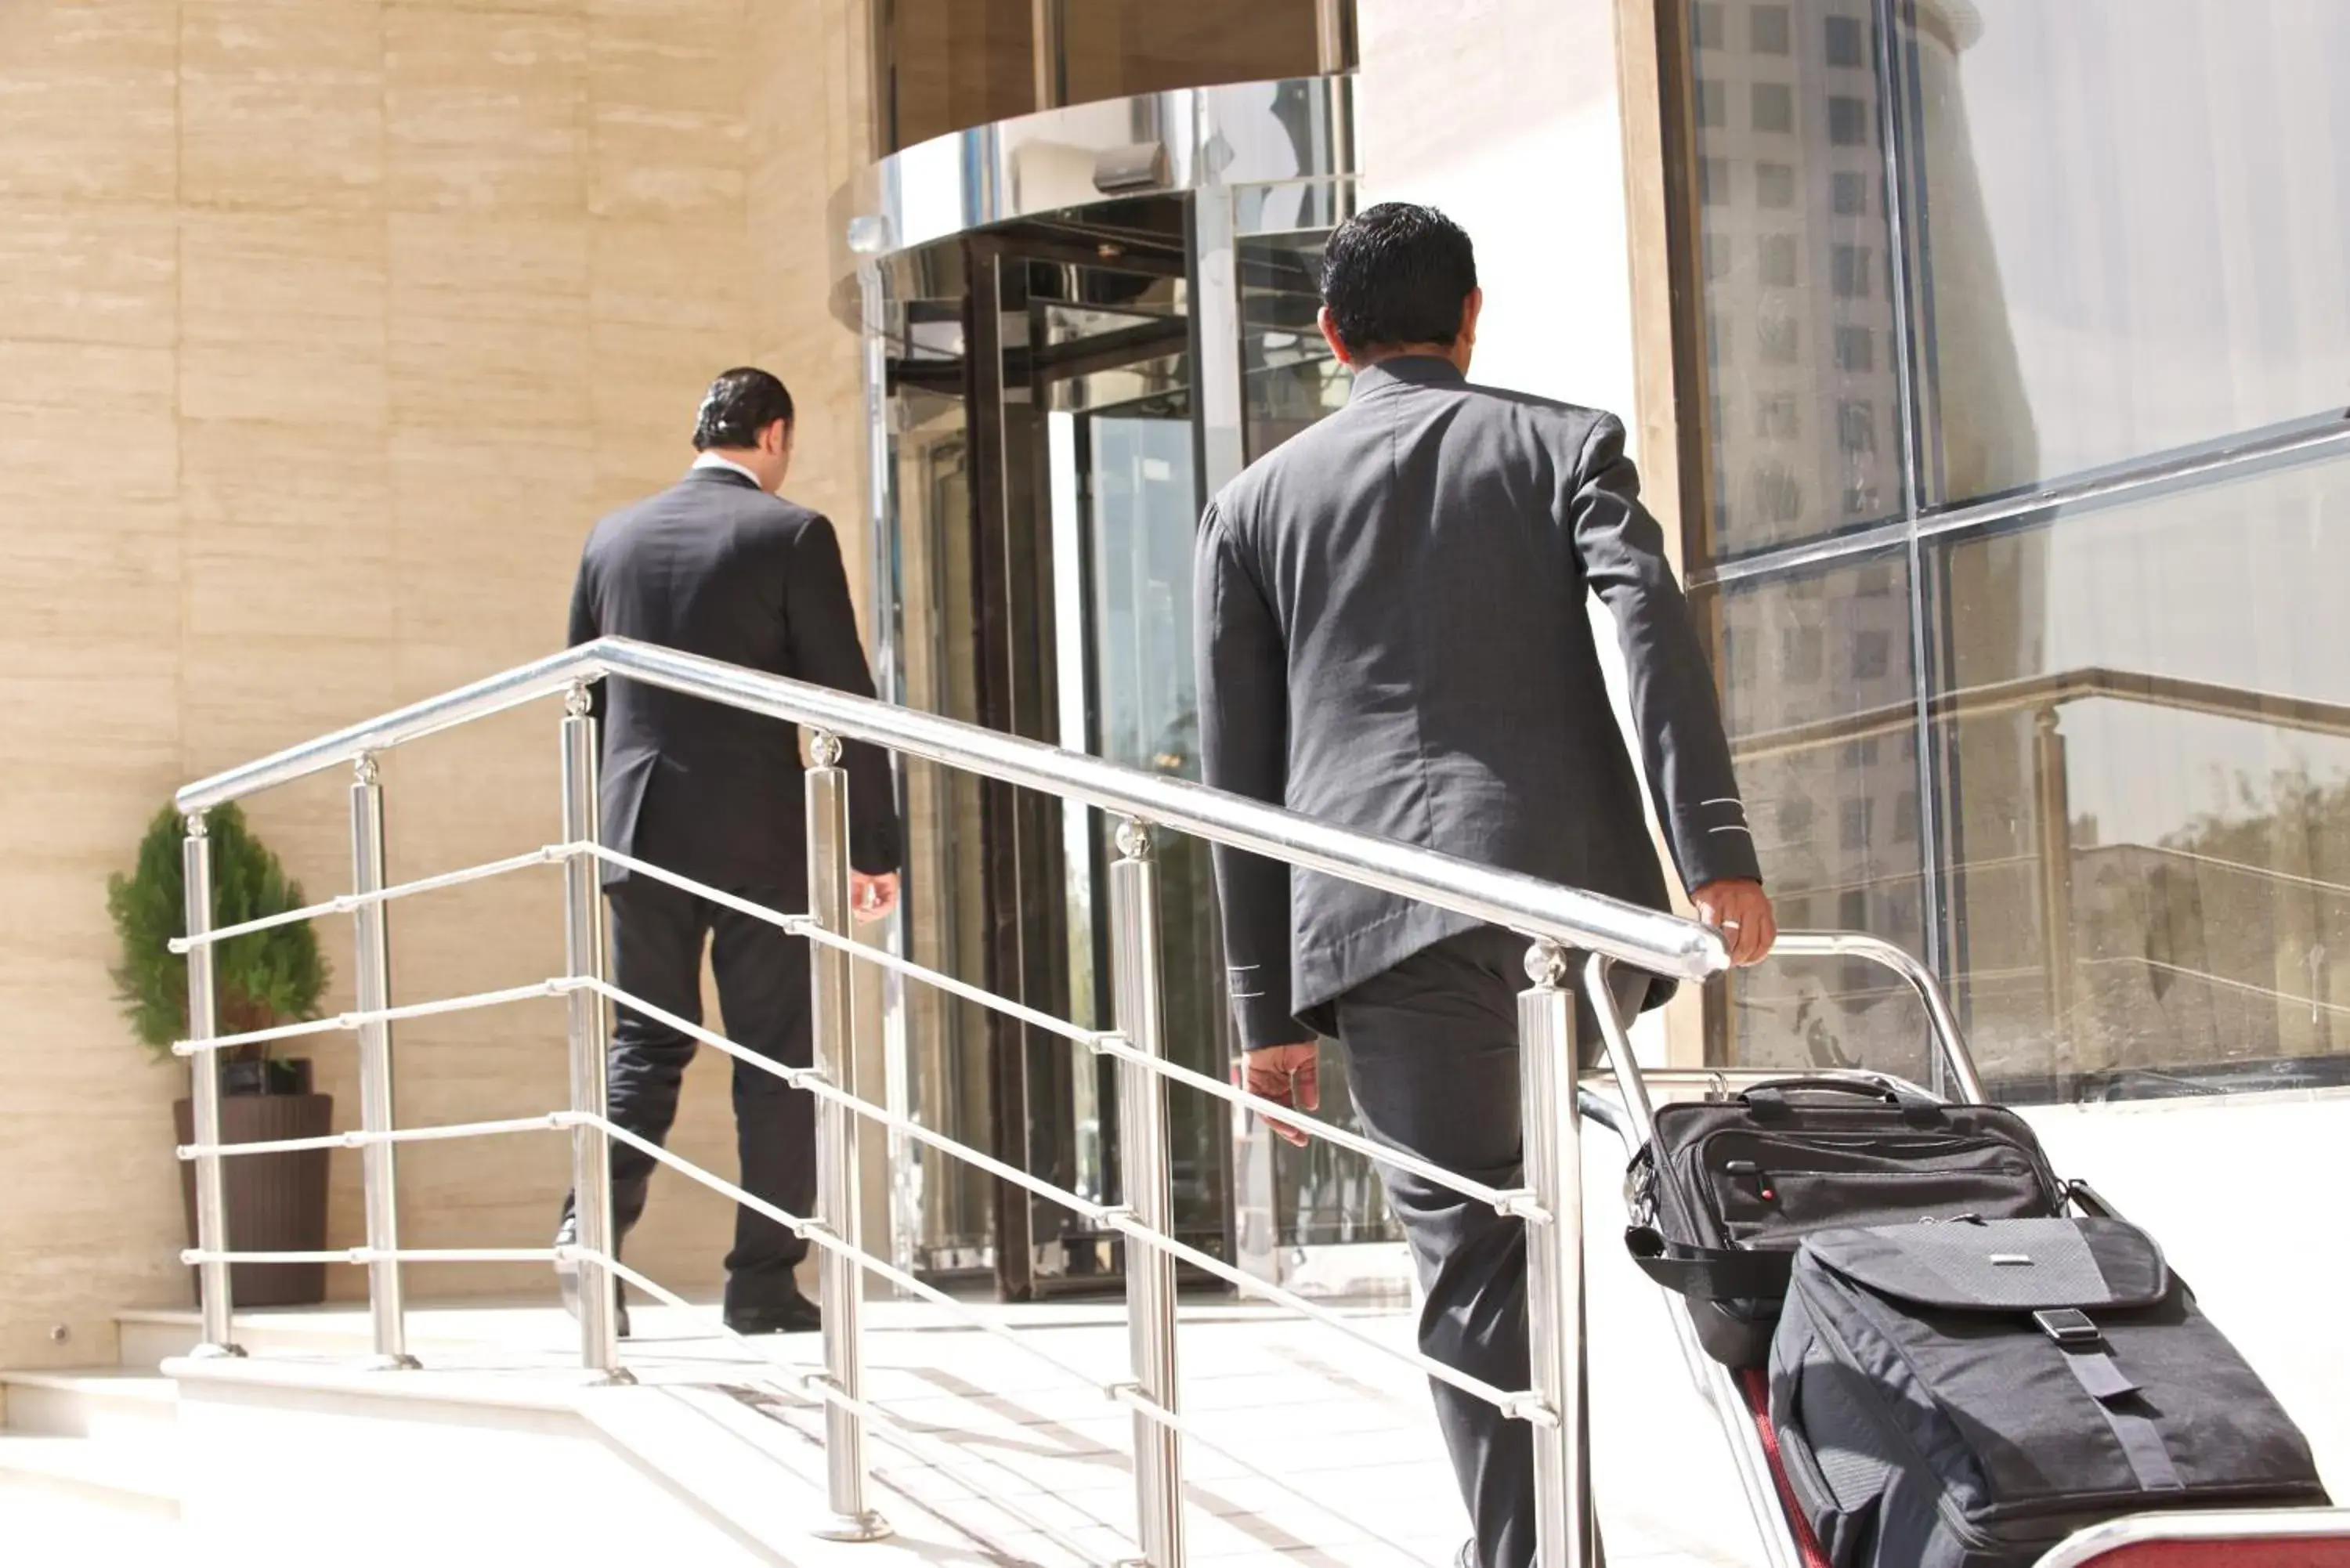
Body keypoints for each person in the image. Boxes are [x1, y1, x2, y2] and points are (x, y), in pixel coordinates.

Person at [1193, 204, 1776, 1567]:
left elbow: (1237, 773)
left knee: (1472, 1249)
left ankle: (1526, 1554)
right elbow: (1651, 624)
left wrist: (1263, 1007)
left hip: (1379, 925)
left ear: (1331, 338)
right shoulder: (1562, 442)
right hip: (1561, 917)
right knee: (1518, 1221)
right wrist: (1714, 849)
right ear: (1470, 319)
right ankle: (1527, 1546)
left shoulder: (1252, 505)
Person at [555, 367, 903, 1337]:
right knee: (775, 1059)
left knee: (647, 1044)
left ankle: (590, 1233)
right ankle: (760, 1281)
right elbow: (843, 697)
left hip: (638, 830)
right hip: (755, 835)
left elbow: (579, 698)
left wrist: (606, 817)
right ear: (775, 434)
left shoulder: (611, 537)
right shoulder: (789, 534)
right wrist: (873, 845)